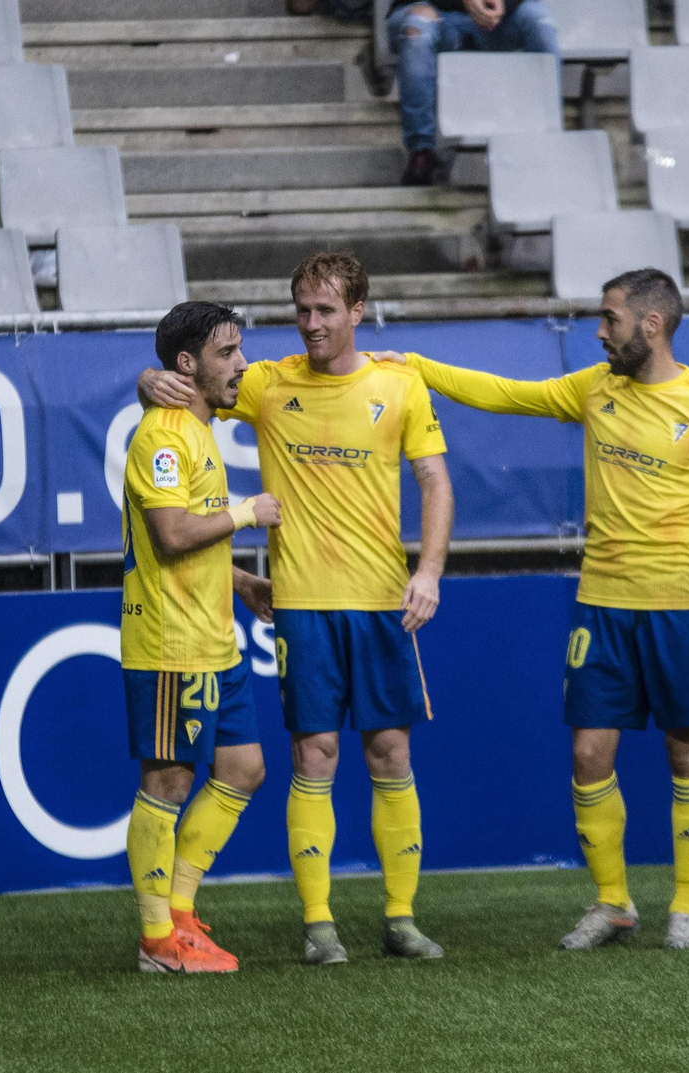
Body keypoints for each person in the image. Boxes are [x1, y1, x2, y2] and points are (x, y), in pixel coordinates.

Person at [373, 268, 689, 951]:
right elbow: (507, 394)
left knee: (688, 750)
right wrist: (420, 366)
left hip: (679, 603)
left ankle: (687, 907)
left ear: (651, 325)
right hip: (600, 604)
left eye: (609, 318)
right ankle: (613, 903)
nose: (598, 330)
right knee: (587, 753)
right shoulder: (594, 388)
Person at [140, 251, 455, 965]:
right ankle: (320, 925)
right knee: (314, 754)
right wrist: (143, 377)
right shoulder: (268, 383)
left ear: (357, 313)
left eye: (325, 311)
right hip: (303, 605)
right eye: (302, 310)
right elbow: (195, 382)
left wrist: (429, 570)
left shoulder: (399, 385)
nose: (311, 324)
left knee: (391, 750)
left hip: (382, 601)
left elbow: (435, 480)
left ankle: (400, 917)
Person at [121, 302, 281, 973]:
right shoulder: (163, 437)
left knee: (244, 769)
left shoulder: (200, 425)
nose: (240, 363)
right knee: (169, 778)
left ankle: (181, 911)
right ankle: (158, 939)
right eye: (226, 352)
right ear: (186, 365)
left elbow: (192, 535)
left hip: (216, 634)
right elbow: (172, 534)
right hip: (171, 641)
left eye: (239, 349)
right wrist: (248, 512)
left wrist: (241, 581)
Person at [386, 1, 561, 185]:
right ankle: (422, 152)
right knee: (417, 27)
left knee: (539, 21)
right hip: (431, 9)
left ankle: (549, 141)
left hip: (497, 15)